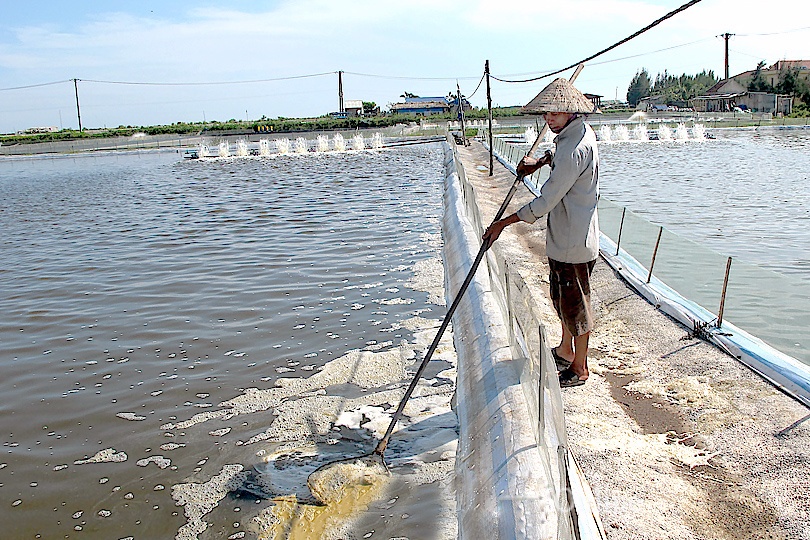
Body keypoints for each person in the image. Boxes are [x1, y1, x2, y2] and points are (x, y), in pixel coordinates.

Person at [482, 77, 600, 388]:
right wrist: (539, 161)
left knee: (577, 307)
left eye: (555, 114)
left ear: (571, 113)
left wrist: (501, 225)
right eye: (545, 114)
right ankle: (564, 349)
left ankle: (579, 367)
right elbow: (557, 158)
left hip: (573, 240)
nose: (549, 120)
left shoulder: (575, 147)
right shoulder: (572, 136)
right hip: (566, 235)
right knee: (561, 298)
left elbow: (546, 201)